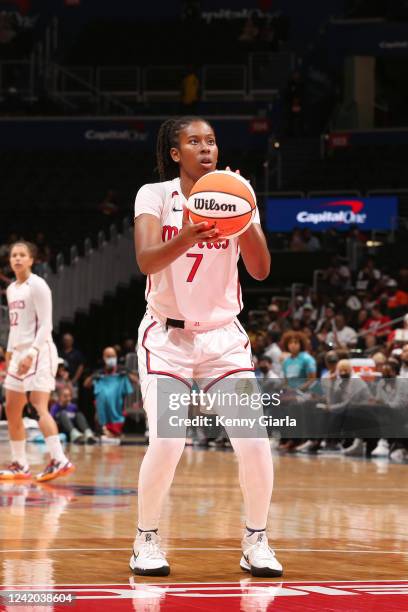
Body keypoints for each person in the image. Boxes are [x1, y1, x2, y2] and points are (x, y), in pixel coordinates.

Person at [130, 116, 282, 578]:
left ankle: (256, 540)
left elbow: (260, 270)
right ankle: (146, 539)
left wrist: (244, 211)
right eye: (193, 141)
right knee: (170, 441)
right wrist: (192, 234)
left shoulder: (238, 193)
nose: (205, 148)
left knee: (255, 444)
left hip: (222, 338)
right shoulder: (154, 195)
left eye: (211, 141)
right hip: (168, 337)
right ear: (176, 153)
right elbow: (145, 259)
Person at [0, 241, 74, 482]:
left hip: (39, 351)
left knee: (36, 406)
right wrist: (10, 352)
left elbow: (46, 325)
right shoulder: (12, 289)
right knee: (12, 408)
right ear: (10, 260)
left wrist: (31, 353)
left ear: (31, 259)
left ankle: (59, 459)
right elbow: (14, 325)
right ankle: (20, 464)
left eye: (22, 255)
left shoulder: (38, 285)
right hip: (18, 353)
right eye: (14, 255)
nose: (18, 259)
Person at [84, 346, 135, 439]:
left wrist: (127, 375)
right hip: (103, 407)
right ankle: (102, 430)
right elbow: (86, 384)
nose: (111, 359)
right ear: (104, 358)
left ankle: (114, 432)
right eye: (109, 356)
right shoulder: (100, 372)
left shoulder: (122, 370)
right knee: (98, 403)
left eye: (113, 356)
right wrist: (93, 377)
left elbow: (136, 380)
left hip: (118, 405)